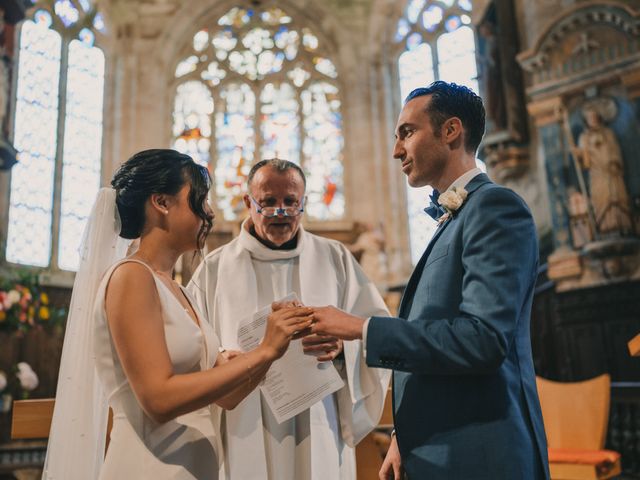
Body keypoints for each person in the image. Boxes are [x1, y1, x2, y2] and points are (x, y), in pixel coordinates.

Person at [309, 81, 550, 479]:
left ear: (451, 130)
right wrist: (406, 436)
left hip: (481, 457)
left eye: (407, 132)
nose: (396, 150)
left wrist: (359, 327)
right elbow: (436, 342)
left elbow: (482, 339)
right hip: (438, 450)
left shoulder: (494, 208)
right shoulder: (454, 219)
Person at [43, 149, 313, 480]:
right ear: (162, 202)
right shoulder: (132, 276)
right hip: (150, 468)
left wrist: (275, 344)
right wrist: (265, 350)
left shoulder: (178, 290)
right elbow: (159, 399)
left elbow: (227, 397)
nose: (210, 213)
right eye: (199, 199)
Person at [188, 158, 391, 480]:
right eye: (268, 202)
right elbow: (191, 350)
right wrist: (221, 359)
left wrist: (342, 349)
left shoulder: (335, 258)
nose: (280, 212)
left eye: (290, 202)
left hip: (319, 417)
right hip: (243, 420)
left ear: (304, 203)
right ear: (248, 203)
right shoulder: (214, 269)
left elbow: (377, 331)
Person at [574, 106, 633, 236]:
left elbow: (615, 150)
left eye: (595, 117)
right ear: (586, 121)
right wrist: (578, 154)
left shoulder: (608, 133)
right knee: (601, 199)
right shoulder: (584, 137)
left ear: (599, 118)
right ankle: (605, 228)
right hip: (597, 174)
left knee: (616, 196)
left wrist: (614, 163)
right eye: (590, 118)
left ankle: (622, 225)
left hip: (611, 172)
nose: (593, 120)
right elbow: (585, 162)